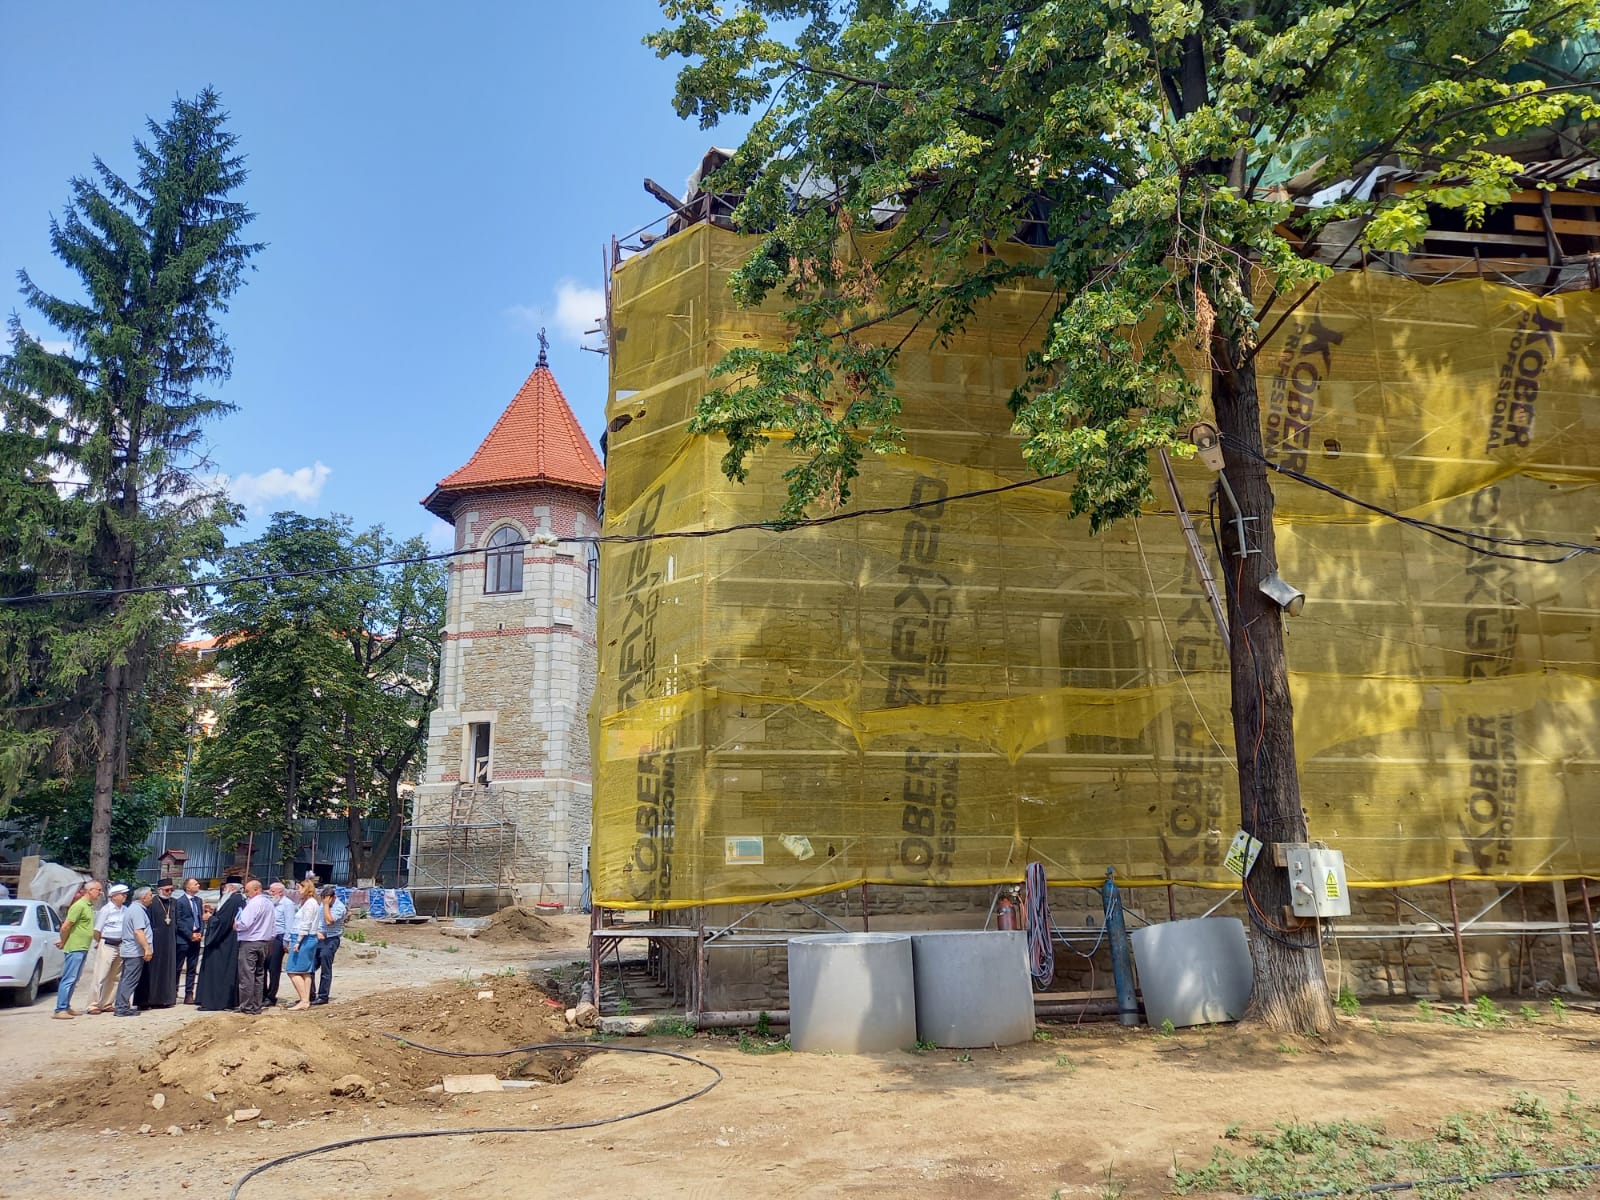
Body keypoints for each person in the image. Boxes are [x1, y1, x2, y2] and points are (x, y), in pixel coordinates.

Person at [52, 879, 102, 1018]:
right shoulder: (79, 905)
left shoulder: (88, 906)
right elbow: (66, 926)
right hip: (75, 947)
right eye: (98, 890)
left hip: (82, 947)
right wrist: (63, 941)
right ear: (90, 890)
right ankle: (60, 1009)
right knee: (69, 978)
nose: (100, 893)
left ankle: (66, 1006)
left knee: (74, 979)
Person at [195, 882, 243, 1012]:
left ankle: (214, 1002)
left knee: (217, 971)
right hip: (230, 941)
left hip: (223, 943)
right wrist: (214, 912)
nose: (223, 890)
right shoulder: (237, 899)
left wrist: (209, 918)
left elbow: (222, 923)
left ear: (231, 888)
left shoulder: (232, 901)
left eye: (225, 887)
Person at [233, 878, 276, 1015]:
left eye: (248, 891)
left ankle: (246, 1006)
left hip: (250, 942)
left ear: (257, 890)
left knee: (247, 975)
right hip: (264, 942)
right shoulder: (269, 903)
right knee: (259, 974)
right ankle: (257, 1004)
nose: (246, 894)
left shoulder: (253, 904)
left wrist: (236, 925)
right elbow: (273, 924)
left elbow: (245, 923)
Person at [135, 878, 180, 1009]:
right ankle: (149, 1000)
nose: (169, 892)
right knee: (152, 970)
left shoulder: (174, 902)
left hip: (169, 941)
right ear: (159, 890)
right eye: (167, 890)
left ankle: (165, 999)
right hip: (155, 940)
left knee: (167, 970)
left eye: (171, 890)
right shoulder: (152, 903)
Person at [85, 884, 129, 1015]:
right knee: (101, 975)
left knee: (115, 976)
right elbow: (97, 930)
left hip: (120, 944)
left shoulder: (125, 909)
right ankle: (93, 1004)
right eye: (122, 894)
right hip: (107, 943)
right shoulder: (106, 910)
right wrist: (99, 942)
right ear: (114, 896)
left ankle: (107, 1002)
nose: (125, 896)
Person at [112, 886, 155, 1017]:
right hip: (134, 951)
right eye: (150, 895)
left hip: (131, 950)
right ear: (143, 897)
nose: (152, 898)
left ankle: (121, 1005)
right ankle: (121, 1007)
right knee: (130, 980)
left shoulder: (134, 909)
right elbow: (138, 931)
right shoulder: (137, 911)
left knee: (126, 979)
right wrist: (147, 948)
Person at [283, 879, 321, 1011]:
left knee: (292, 970)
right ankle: (305, 999)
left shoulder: (310, 904)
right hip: (307, 937)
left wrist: (298, 941)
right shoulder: (309, 902)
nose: (298, 890)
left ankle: (304, 1000)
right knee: (305, 972)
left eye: (300, 887)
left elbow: (306, 923)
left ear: (306, 888)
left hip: (304, 938)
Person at [312, 883, 348, 1006]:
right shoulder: (322, 905)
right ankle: (310, 994)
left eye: (327, 900)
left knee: (325, 968)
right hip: (319, 938)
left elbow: (329, 921)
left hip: (331, 940)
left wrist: (327, 905)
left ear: (333, 897)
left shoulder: (339, 907)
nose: (324, 902)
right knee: (310, 966)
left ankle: (323, 996)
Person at [265, 881, 297, 1005]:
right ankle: (262, 993)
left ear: (281, 892)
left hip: (279, 937)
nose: (270, 893)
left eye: (273, 891)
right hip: (268, 937)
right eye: (270, 890)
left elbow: (289, 923)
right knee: (264, 966)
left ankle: (271, 995)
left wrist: (286, 942)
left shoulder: (287, 904)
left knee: (274, 968)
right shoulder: (271, 903)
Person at [174, 876, 205, 1003]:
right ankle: (173, 991)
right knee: (178, 967)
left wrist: (200, 932)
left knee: (192, 967)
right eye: (195, 884)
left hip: (196, 938)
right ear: (188, 887)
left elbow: (200, 918)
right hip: (183, 939)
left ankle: (189, 993)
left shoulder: (198, 900)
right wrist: (189, 934)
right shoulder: (180, 902)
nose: (198, 885)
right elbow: (179, 921)